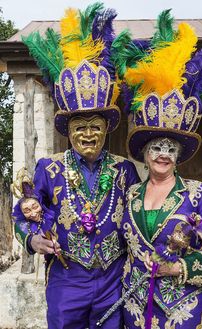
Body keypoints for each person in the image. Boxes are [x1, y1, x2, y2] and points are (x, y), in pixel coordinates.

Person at [13, 4, 139, 328]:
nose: (87, 133)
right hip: (66, 281)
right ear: (67, 131)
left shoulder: (125, 171)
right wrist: (32, 239)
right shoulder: (48, 169)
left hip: (113, 281)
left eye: (94, 125)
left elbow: (139, 222)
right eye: (78, 126)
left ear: (107, 128)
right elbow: (24, 211)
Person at [109, 9, 202, 329]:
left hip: (186, 309)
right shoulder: (132, 192)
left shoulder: (199, 194)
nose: (162, 155)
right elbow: (122, 247)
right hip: (137, 308)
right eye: (156, 148)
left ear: (178, 156)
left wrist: (179, 268)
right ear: (146, 152)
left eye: (170, 150)